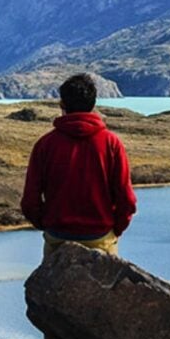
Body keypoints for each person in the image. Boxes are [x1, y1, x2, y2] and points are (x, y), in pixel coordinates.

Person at [20, 72, 137, 259]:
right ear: (93, 104)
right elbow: (127, 199)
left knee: (54, 288)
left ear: (62, 105)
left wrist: (47, 224)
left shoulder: (45, 144)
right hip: (100, 238)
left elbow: (30, 200)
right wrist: (116, 229)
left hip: (57, 237)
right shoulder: (111, 143)